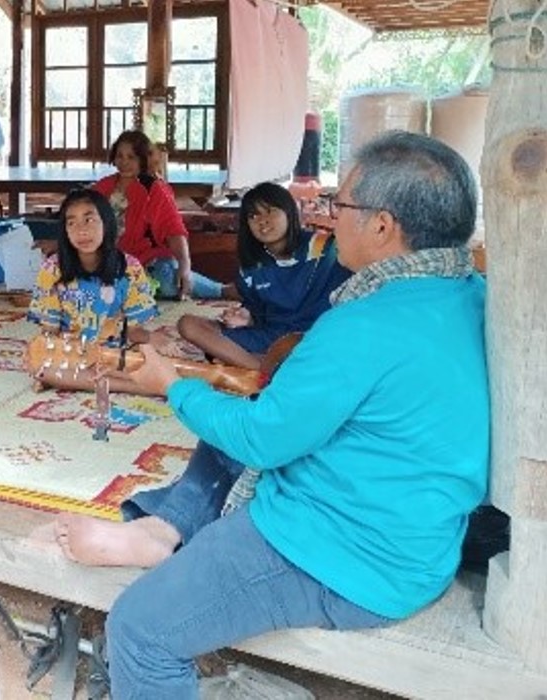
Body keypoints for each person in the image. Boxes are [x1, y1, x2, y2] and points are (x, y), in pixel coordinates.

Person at [55, 132, 488, 698]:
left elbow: (263, 442)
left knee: (139, 630)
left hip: (344, 556)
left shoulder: (364, 326)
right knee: (241, 412)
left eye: (342, 205)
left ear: (383, 226)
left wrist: (172, 385)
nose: (330, 219)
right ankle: (165, 529)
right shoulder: (470, 292)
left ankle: (166, 533)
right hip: (413, 534)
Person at [176, 182, 351, 369]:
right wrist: (246, 317)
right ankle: (263, 370)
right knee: (188, 324)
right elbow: (257, 312)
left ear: (289, 212)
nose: (262, 220)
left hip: (316, 339)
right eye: (253, 215)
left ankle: (256, 365)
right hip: (272, 338)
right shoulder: (251, 266)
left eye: (270, 211)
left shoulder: (325, 247)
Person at [26, 189, 162, 394]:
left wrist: (153, 339)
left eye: (89, 220)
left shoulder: (129, 268)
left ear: (106, 224)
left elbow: (134, 330)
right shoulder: (52, 269)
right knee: (39, 365)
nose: (81, 231)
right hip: (70, 353)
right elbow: (49, 330)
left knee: (152, 356)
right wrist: (43, 350)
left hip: (114, 355)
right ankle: (143, 387)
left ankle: (74, 381)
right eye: (71, 223)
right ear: (64, 231)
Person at [92, 130, 224, 299]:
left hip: (149, 259)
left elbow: (173, 229)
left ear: (143, 159)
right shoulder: (103, 187)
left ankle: (222, 290)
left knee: (169, 283)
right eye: (120, 156)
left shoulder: (155, 189)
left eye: (131, 157)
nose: (124, 162)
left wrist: (185, 265)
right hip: (112, 260)